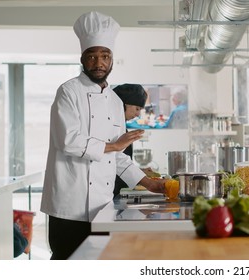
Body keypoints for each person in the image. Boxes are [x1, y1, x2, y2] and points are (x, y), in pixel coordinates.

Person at [40, 11, 165, 260]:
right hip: (69, 202)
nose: (99, 62)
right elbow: (68, 140)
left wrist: (150, 184)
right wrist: (115, 145)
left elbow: (119, 157)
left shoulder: (115, 101)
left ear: (112, 61)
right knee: (66, 259)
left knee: (96, 262)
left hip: (102, 203)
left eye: (105, 56)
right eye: (92, 56)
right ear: (83, 59)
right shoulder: (68, 92)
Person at [112, 83, 152, 197]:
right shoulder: (110, 127)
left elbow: (118, 161)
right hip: (109, 190)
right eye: (137, 108)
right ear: (122, 104)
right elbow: (110, 161)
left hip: (116, 190)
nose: (138, 114)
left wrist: (139, 172)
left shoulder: (122, 127)